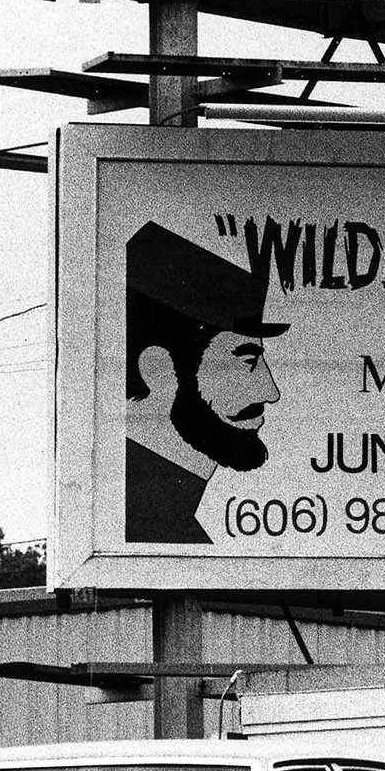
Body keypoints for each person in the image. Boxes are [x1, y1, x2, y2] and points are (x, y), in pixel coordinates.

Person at [124, 221, 289, 544]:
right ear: (159, 370)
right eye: (248, 361)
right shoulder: (153, 529)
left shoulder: (161, 522)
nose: (271, 392)